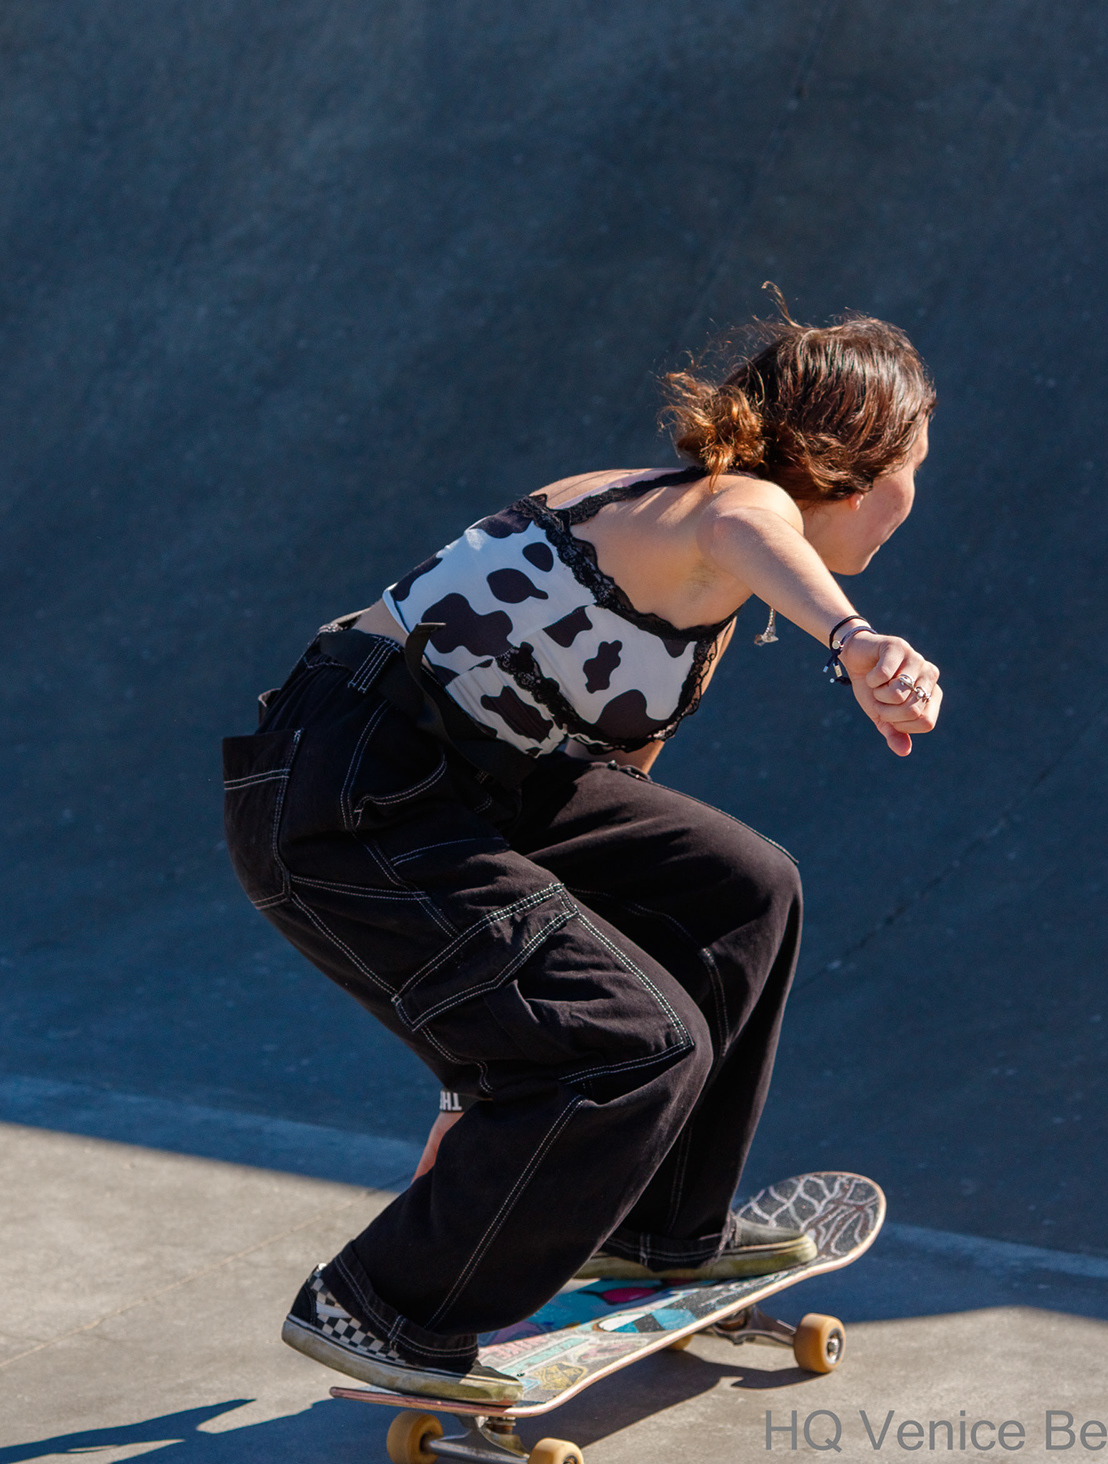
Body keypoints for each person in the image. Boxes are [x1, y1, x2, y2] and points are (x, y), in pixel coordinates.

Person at [222, 299, 941, 1406]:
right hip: (349, 789)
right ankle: (381, 1302)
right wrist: (856, 642)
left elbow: (596, 850)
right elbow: (755, 527)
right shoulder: (724, 510)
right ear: (856, 467)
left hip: (482, 789)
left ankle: (658, 1231)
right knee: (635, 1044)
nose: (911, 507)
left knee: (738, 890)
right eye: (912, 474)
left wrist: (489, 1077)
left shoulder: (689, 583)